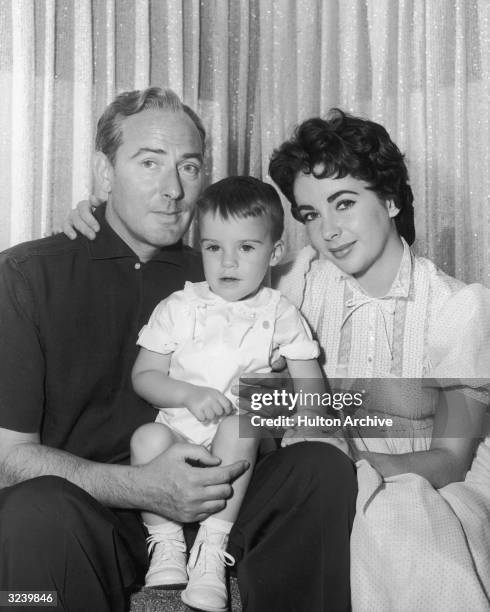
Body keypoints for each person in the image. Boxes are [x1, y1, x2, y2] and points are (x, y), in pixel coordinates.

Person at [0, 88, 357, 612]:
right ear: (105, 173)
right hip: (92, 512)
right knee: (33, 510)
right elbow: (9, 458)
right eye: (149, 163)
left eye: (189, 167)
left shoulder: (223, 274)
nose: (172, 189)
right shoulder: (26, 276)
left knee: (320, 470)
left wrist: (271, 397)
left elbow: (299, 399)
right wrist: (144, 487)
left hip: (224, 493)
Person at [268, 109, 490, 611]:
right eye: (310, 215)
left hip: (433, 485)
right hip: (317, 482)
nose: (327, 230)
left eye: (343, 203)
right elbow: (218, 264)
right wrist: (97, 217)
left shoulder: (457, 307)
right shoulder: (297, 283)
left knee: (400, 509)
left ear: (389, 199)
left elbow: (452, 461)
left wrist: (349, 467)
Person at [131, 175, 325, 612]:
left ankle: (210, 553)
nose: (228, 262)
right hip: (181, 437)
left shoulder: (279, 311)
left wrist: (309, 428)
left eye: (246, 248)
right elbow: (144, 375)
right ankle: (166, 545)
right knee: (145, 438)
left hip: (244, 448)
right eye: (214, 247)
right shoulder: (179, 306)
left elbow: (309, 380)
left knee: (241, 420)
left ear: (274, 253)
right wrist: (188, 394)